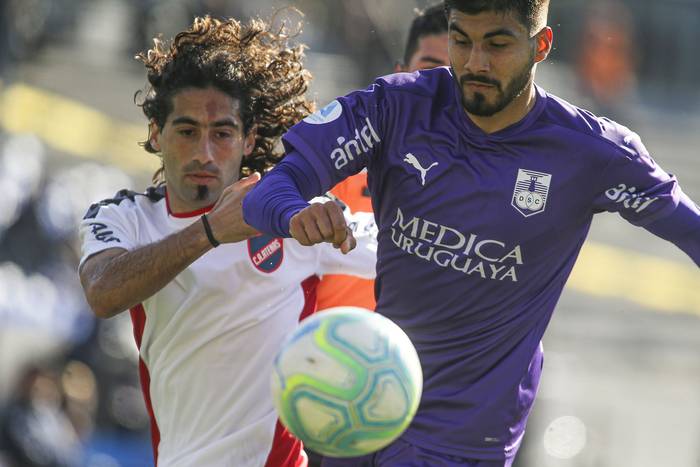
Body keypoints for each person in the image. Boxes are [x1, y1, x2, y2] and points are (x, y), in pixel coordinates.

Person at [242, 0, 700, 465]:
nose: (475, 62)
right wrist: (296, 212)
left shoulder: (593, 151)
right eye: (462, 41)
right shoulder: (394, 106)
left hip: (462, 439)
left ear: (540, 45)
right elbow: (267, 191)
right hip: (360, 410)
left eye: (497, 44)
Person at [78, 15, 376, 467]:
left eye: (221, 133)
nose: (204, 153)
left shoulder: (299, 218)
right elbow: (103, 292)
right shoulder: (126, 217)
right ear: (156, 133)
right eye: (186, 131)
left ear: (248, 138)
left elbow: (415, 256)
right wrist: (211, 232)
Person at [315, 2, 449, 313]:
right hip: (325, 355)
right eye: (430, 70)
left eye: (454, 74)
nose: (442, 87)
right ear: (400, 74)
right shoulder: (340, 167)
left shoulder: (489, 186)